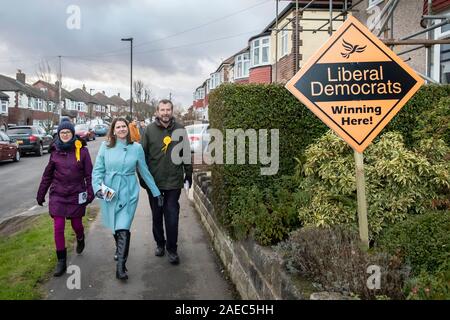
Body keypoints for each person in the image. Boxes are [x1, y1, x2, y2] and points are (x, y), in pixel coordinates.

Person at [92, 117, 163, 280]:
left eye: (124, 126)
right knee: (115, 226)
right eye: (118, 127)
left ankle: (121, 267)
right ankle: (119, 250)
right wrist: (97, 188)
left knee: (123, 226)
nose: (122, 129)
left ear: (128, 129)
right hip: (109, 190)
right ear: (113, 130)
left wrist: (156, 192)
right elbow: (97, 171)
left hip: (129, 190)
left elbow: (144, 171)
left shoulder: (136, 148)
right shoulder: (105, 147)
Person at [36, 118, 95, 277]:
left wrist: (90, 191)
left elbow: (89, 174)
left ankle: (80, 237)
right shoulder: (54, 151)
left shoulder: (82, 150)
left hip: (77, 193)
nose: (65, 134)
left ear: (73, 133)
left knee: (76, 224)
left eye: (68, 132)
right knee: (58, 226)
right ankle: (61, 260)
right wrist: (41, 193)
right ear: (59, 134)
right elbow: (47, 175)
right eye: (62, 132)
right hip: (58, 194)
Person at [141, 99, 193, 265]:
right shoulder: (149, 130)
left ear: (172, 111)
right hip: (154, 182)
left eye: (168, 110)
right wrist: (143, 179)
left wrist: (188, 173)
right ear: (157, 111)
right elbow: (141, 156)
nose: (165, 113)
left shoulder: (180, 129)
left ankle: (172, 249)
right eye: (162, 110)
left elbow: (185, 153)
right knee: (157, 215)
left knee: (171, 216)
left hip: (173, 181)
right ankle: (160, 244)